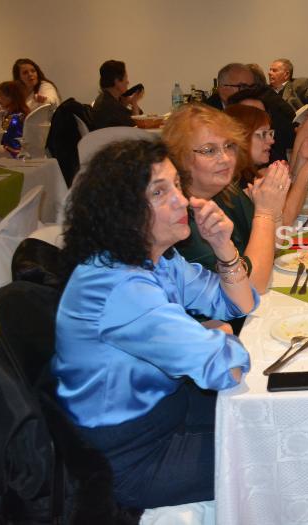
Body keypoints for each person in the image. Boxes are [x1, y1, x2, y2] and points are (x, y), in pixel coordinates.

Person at [53, 139, 258, 509]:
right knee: (268, 455)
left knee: (276, 417)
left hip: (170, 409)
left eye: (177, 185)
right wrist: (218, 334)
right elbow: (223, 369)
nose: (181, 200)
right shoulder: (120, 286)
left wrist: (223, 247)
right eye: (159, 192)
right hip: (130, 456)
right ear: (123, 209)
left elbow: (238, 303)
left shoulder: (156, 259)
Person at [167, 104, 308, 294]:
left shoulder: (226, 192)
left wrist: (274, 209)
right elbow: (251, 286)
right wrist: (265, 212)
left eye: (228, 146)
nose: (225, 158)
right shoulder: (181, 219)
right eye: (209, 150)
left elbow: (273, 245)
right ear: (180, 157)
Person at [206, 63, 296, 163]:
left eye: (252, 87)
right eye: (243, 86)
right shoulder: (207, 116)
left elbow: (289, 131)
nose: (248, 91)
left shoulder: (261, 102)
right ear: (222, 88)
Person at [90, 59, 143, 130]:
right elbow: (136, 125)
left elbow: (139, 115)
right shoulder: (109, 104)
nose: (127, 82)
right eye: (125, 78)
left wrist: (124, 104)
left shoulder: (107, 99)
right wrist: (134, 102)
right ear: (117, 81)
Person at [0, 81, 30, 157]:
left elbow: (1, 136)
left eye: (0, 95)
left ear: (11, 97)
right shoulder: (22, 114)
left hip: (11, 153)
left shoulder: (12, 118)